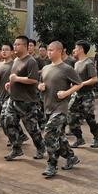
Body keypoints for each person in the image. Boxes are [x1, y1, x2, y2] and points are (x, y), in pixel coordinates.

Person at [38, 41, 82, 177]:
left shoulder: (66, 68)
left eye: (51, 50)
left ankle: (52, 165)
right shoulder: (45, 68)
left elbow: (79, 84)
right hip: (48, 106)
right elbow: (41, 82)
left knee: (49, 134)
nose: (49, 52)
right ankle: (71, 157)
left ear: (59, 51)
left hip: (60, 108)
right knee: (59, 137)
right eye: (48, 50)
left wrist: (66, 93)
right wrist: (40, 86)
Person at [3, 35, 46, 161]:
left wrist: (16, 79)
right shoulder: (16, 60)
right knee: (8, 123)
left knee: (32, 128)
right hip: (13, 99)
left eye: (18, 44)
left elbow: (33, 80)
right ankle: (16, 149)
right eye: (14, 44)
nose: (15, 46)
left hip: (27, 101)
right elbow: (14, 76)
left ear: (25, 46)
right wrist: (10, 83)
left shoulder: (31, 61)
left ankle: (41, 147)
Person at [68, 40, 98, 148]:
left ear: (81, 49)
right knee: (71, 116)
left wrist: (82, 83)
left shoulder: (88, 63)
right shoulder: (76, 63)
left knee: (89, 117)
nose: (74, 50)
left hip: (87, 94)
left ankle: (96, 137)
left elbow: (95, 79)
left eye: (76, 48)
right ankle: (79, 138)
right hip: (76, 94)